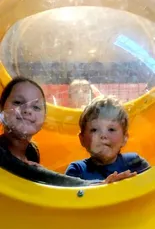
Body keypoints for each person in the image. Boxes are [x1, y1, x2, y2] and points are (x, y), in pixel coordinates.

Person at [0, 77, 133, 187]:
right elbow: (37, 175)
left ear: (44, 117)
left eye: (36, 107)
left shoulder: (31, 153)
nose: (27, 110)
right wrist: (99, 185)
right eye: (18, 102)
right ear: (2, 108)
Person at [65, 96, 150, 181]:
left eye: (111, 129)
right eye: (94, 130)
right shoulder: (77, 170)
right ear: (82, 139)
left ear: (124, 138)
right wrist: (104, 187)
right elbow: (71, 193)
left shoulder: (135, 163)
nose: (103, 135)